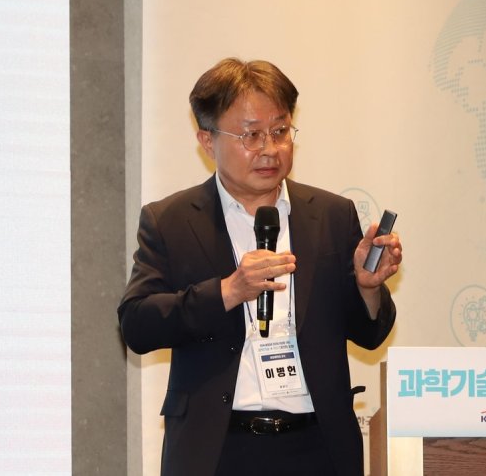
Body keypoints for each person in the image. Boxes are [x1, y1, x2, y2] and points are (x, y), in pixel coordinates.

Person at [118, 58, 402, 476]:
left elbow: (370, 334)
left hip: (318, 447)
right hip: (217, 451)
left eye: (280, 131)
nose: (270, 148)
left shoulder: (331, 214)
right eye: (251, 135)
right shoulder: (171, 220)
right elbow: (137, 325)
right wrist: (227, 291)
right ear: (207, 140)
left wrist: (367, 287)